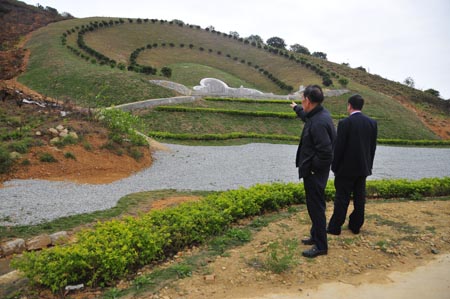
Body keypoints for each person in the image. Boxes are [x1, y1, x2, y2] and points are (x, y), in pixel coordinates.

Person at [290, 85, 336, 258]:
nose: (302, 102)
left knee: (316, 209)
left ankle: (321, 246)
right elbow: (306, 117)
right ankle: (315, 236)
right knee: (315, 206)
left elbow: (326, 154)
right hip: (316, 173)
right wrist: (296, 109)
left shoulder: (318, 122)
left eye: (302, 100)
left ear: (308, 101)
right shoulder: (319, 115)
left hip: (315, 174)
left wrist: (311, 170)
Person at [327, 94, 377, 235]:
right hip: (363, 168)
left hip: (345, 170)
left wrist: (334, 166)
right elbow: (372, 148)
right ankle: (355, 226)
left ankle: (335, 227)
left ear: (349, 105)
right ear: (361, 106)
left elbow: (339, 148)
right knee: (359, 199)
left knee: (342, 199)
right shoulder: (372, 123)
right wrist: (369, 166)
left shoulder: (345, 123)